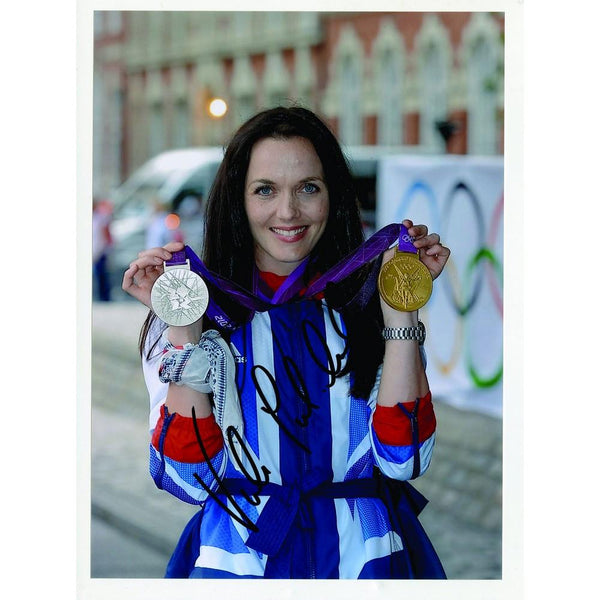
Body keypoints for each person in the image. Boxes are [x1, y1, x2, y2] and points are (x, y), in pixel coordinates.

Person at [122, 106, 450, 579]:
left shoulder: (365, 307)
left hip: (365, 564)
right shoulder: (194, 315)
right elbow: (187, 478)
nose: (288, 211)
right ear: (237, 200)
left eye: (308, 189)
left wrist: (400, 308)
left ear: (332, 197)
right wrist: (184, 327)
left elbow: (406, 457)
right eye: (265, 190)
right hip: (239, 563)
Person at [92, 197, 113, 301]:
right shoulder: (96, 218)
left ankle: (104, 297)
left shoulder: (100, 218)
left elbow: (104, 235)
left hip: (100, 250)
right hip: (96, 249)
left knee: (102, 274)